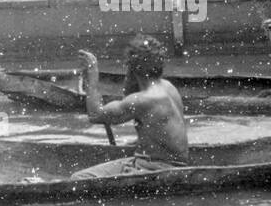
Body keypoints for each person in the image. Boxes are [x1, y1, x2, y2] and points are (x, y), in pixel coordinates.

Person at [72, 36, 189, 177]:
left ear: (132, 68)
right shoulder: (168, 87)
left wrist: (92, 74)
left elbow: (96, 115)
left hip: (155, 168)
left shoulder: (143, 100)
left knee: (79, 177)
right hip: (172, 164)